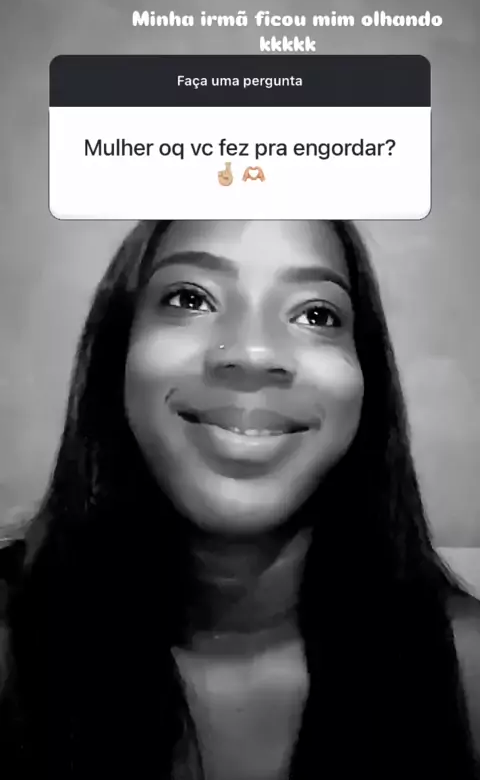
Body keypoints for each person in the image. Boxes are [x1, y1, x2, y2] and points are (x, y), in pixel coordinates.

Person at [0, 219, 479, 779]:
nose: (252, 353)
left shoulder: (467, 667)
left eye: (316, 314)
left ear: (365, 380)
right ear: (119, 353)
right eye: (190, 298)